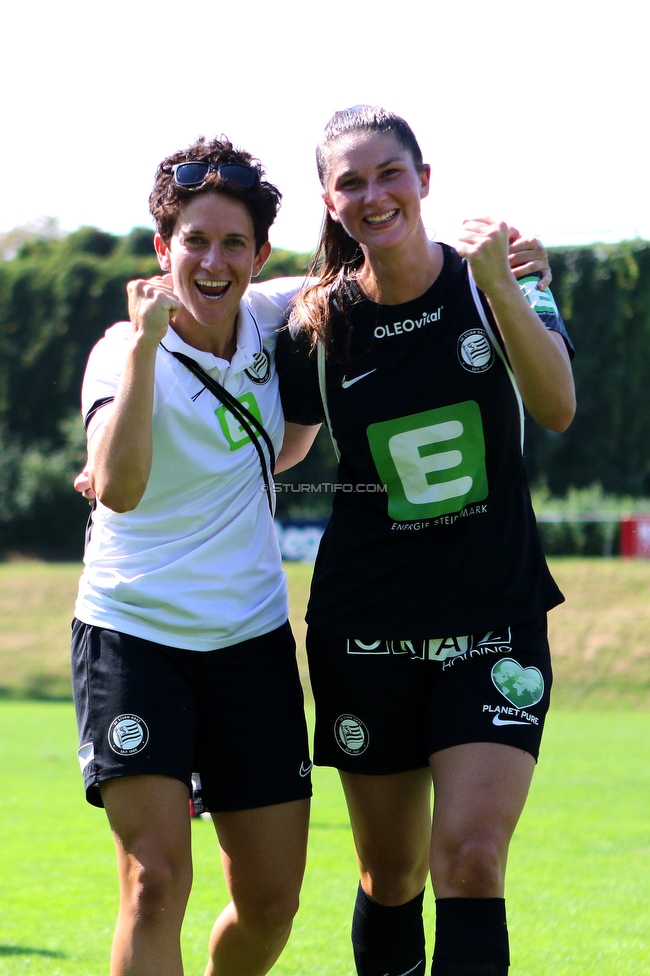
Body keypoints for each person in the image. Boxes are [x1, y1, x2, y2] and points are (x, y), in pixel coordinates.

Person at [275, 105, 576, 976]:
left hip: (495, 617)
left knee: (472, 860)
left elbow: (556, 407)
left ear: (425, 180)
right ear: (331, 204)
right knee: (392, 872)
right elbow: (280, 447)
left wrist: (508, 286)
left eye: (389, 174)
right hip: (366, 628)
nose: (374, 195)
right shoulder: (315, 325)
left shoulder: (500, 278)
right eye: (351, 183)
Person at [71, 136, 320, 976]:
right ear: (161, 248)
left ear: (258, 253)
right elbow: (121, 486)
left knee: (272, 903)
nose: (213, 263)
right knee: (154, 881)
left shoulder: (272, 312)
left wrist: (511, 264)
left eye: (234, 244)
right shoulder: (118, 352)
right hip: (134, 636)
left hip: (248, 642)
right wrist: (145, 349)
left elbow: (372, 262)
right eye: (194, 242)